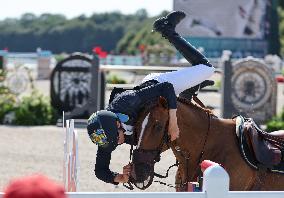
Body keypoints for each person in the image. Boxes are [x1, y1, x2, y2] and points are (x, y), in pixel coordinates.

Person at [86, 11, 215, 184]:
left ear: (118, 124)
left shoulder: (126, 103)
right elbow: (100, 170)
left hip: (158, 86)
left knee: (207, 68)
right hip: (150, 100)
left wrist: (174, 123)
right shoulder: (108, 135)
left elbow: (167, 88)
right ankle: (189, 91)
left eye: (115, 140)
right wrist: (120, 177)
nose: (115, 145)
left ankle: (167, 30)